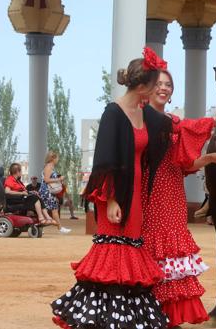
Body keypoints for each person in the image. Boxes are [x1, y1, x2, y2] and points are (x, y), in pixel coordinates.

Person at [51, 48, 173, 329]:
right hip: (115, 196)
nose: (158, 91)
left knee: (132, 253)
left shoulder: (145, 113)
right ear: (142, 86)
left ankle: (126, 319)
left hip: (137, 194)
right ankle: (105, 320)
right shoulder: (114, 113)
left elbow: (171, 127)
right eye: (155, 86)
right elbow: (104, 161)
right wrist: (111, 201)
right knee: (114, 256)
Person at [142, 68, 216, 328]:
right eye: (159, 84)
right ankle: (148, 309)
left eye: (168, 84)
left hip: (173, 193)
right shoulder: (140, 119)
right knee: (151, 248)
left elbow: (185, 164)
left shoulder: (174, 122)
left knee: (171, 251)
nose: (164, 88)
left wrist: (210, 158)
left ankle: (170, 315)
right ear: (147, 88)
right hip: (148, 191)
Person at [41, 151, 72, 232]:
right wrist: (59, 179)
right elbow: (46, 180)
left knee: (49, 209)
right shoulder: (48, 167)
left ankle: (58, 227)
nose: (58, 160)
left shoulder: (50, 167)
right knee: (51, 209)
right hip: (47, 191)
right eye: (57, 158)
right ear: (52, 158)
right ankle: (60, 228)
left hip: (48, 191)